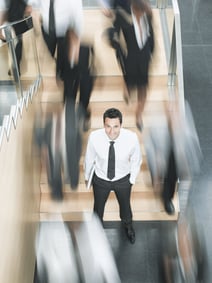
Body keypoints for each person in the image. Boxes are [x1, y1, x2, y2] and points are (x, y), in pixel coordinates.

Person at [84, 108, 142, 244]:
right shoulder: (94, 137)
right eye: (108, 126)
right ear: (104, 124)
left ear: (121, 125)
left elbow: (136, 160)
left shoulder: (131, 138)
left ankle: (128, 226)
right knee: (98, 208)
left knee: (125, 206)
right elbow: (89, 159)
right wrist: (87, 176)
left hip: (123, 179)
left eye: (115, 126)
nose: (112, 131)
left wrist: (131, 180)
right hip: (101, 179)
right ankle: (96, 231)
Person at [107, 0, 154, 131]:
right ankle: (126, 90)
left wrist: (150, 53)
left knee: (143, 91)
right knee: (130, 83)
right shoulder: (123, 19)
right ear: (133, 9)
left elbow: (151, 36)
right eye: (139, 12)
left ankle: (138, 116)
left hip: (144, 61)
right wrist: (122, 55)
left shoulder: (147, 16)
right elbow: (113, 36)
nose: (141, 15)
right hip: (130, 62)